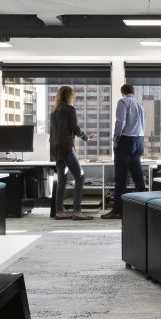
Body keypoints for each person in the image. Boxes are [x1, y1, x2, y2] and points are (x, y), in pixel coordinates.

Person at [50, 86, 95, 220]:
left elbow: (53, 132)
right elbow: (74, 127)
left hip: (55, 148)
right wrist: (85, 137)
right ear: (70, 96)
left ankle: (59, 211)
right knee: (80, 177)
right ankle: (77, 211)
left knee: (62, 180)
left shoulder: (55, 111)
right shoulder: (70, 109)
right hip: (66, 147)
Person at [101, 83, 146, 219]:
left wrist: (115, 139)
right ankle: (141, 209)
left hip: (126, 141)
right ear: (132, 91)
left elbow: (120, 122)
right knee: (138, 176)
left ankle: (117, 211)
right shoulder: (140, 104)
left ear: (123, 93)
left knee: (120, 177)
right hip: (139, 141)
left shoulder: (123, 102)